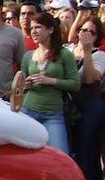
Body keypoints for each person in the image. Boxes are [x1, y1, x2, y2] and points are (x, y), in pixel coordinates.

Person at [17, 12, 80, 154]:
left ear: (50, 30)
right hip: (27, 110)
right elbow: (19, 86)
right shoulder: (28, 56)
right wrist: (25, 85)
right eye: (32, 28)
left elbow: (75, 84)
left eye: (38, 27)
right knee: (24, 155)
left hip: (53, 114)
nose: (33, 31)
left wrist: (50, 81)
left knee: (60, 155)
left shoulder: (64, 54)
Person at [70, 18, 105, 180]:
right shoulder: (67, 51)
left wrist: (86, 51)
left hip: (89, 105)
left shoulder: (100, 55)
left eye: (91, 32)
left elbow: (88, 78)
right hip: (68, 105)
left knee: (87, 148)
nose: (86, 34)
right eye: (83, 30)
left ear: (97, 37)